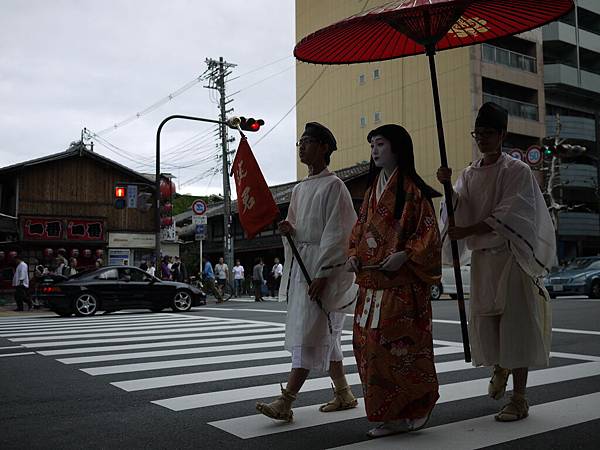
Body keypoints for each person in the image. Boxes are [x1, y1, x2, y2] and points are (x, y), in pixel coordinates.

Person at [436, 102, 556, 423]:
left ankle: (520, 398)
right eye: (478, 133)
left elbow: (508, 216)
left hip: (512, 257)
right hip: (483, 261)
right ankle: (500, 365)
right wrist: (447, 186)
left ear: (502, 135)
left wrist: (466, 229)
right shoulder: (469, 173)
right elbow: (459, 206)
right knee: (488, 324)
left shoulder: (517, 171)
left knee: (516, 326)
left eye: (489, 133)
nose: (482, 139)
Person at [256, 122, 358, 422]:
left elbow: (340, 235)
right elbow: (299, 230)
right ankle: (343, 393)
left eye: (308, 141)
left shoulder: (335, 186)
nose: (302, 147)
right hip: (305, 268)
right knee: (325, 334)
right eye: (300, 142)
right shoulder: (299, 189)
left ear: (324, 148)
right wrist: (289, 230)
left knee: (311, 334)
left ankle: (286, 401)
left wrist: (324, 274)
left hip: (325, 271)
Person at [346, 124, 442, 438]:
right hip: (372, 285)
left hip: (401, 289)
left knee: (398, 350)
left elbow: (429, 236)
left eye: (381, 144)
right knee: (365, 345)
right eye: (372, 145)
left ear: (397, 148)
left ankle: (411, 410)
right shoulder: (373, 190)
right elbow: (359, 231)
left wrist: (405, 255)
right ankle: (389, 413)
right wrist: (353, 254)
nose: (375, 150)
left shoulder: (413, 190)